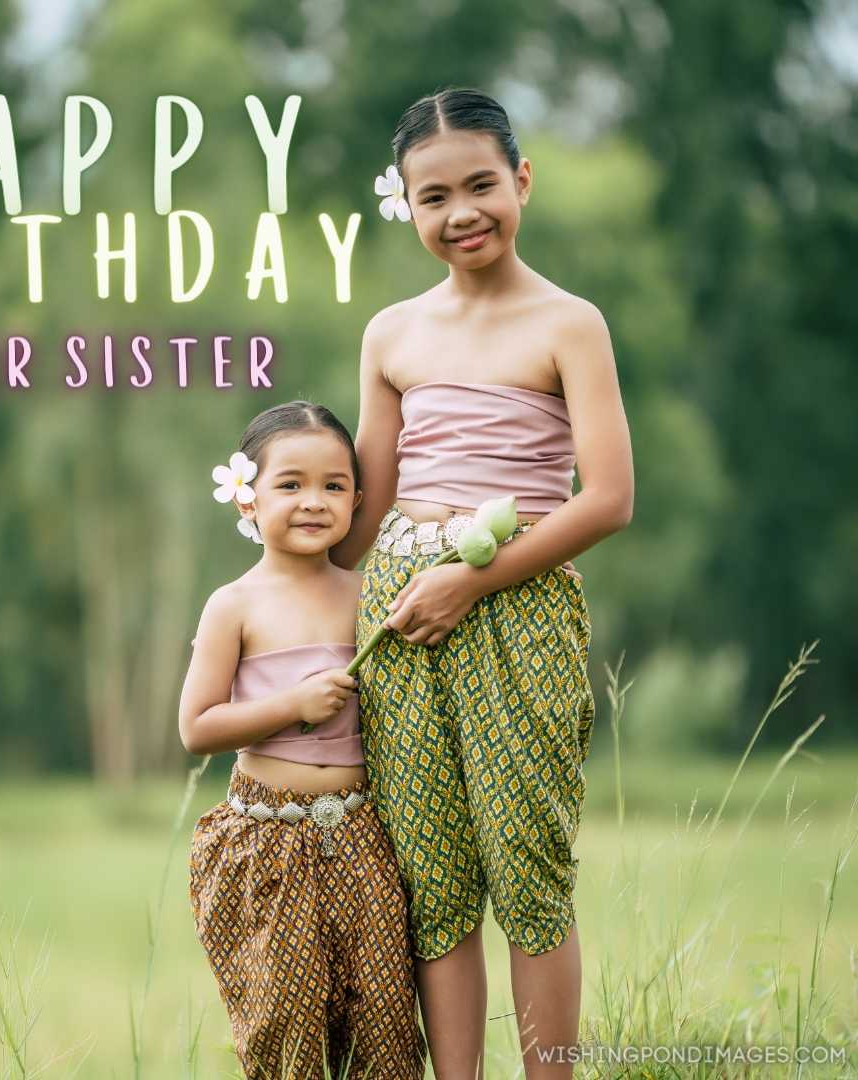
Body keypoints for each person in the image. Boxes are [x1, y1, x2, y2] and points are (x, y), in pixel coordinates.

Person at [329, 88, 635, 1080]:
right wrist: (282, 544)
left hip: (516, 610)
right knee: (432, 879)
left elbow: (609, 498)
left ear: (522, 181)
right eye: (434, 197)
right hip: (402, 621)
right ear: (406, 208)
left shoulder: (569, 324)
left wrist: (476, 578)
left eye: (480, 186)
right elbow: (366, 512)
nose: (461, 214)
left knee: (529, 871)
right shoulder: (390, 336)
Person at [180, 401, 428, 1080]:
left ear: (357, 499)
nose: (313, 501)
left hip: (360, 836)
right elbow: (197, 725)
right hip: (269, 843)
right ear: (247, 499)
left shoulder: (368, 594)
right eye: (289, 484)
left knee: (382, 1016)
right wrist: (292, 704)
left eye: (334, 485)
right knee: (287, 1025)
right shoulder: (235, 604)